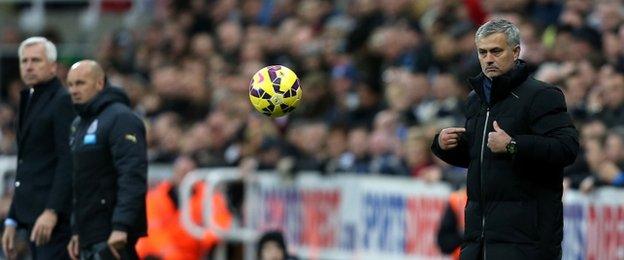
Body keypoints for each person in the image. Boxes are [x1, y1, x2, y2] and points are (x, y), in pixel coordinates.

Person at [431, 19, 579, 259]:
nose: (488, 59)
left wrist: (513, 145)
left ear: (516, 51)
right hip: (479, 241)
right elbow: (482, 158)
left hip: (526, 243)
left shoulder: (542, 96)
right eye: (482, 52)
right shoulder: (475, 100)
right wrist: (444, 146)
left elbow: (567, 148)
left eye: (496, 51)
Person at [65, 60, 147, 259]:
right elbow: (79, 181)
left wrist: (121, 225)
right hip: (89, 232)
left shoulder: (121, 118)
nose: (74, 90)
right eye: (70, 85)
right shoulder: (79, 124)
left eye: (81, 83)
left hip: (111, 231)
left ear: (99, 83)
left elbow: (132, 174)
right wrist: (77, 229)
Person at [2, 37, 75, 260]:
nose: (29, 66)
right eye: (24, 61)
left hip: (52, 218)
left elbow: (68, 159)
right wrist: (12, 219)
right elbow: (26, 164)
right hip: (32, 215)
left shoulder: (62, 100)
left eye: (36, 60)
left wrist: (52, 211)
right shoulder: (29, 99)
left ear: (53, 66)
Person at [135, 156, 232, 259]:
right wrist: (171, 255)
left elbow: (221, 223)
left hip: (193, 252)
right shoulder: (155, 197)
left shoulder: (209, 196)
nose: (183, 176)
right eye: (180, 172)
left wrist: (205, 241)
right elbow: (153, 232)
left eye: (187, 172)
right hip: (159, 253)